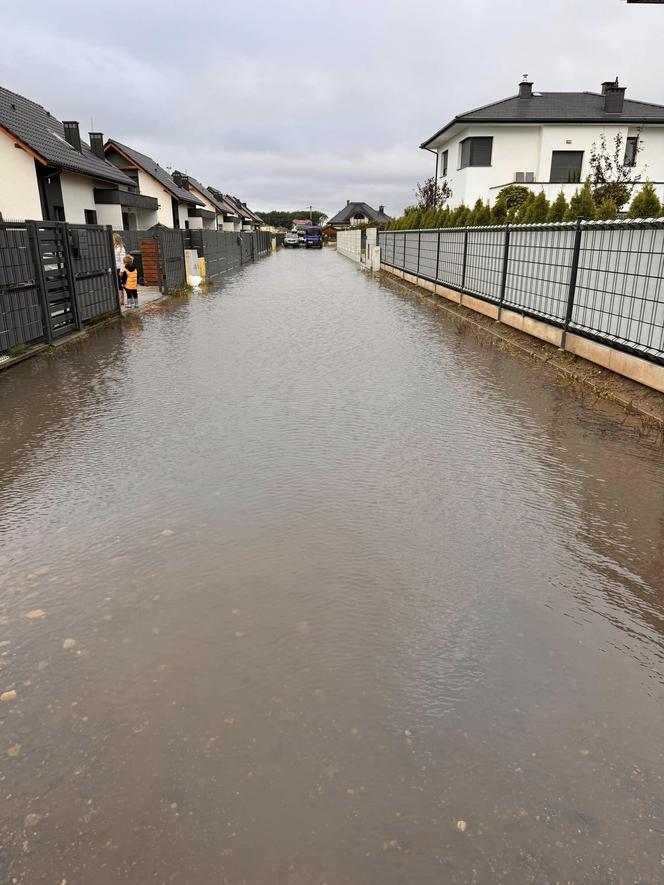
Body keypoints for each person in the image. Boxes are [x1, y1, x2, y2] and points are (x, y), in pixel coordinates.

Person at [113, 233, 127, 306]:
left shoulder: (121, 248)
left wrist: (122, 270)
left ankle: (122, 300)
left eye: (113, 239)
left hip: (119, 269)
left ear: (116, 239)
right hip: (114, 268)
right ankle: (119, 300)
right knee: (117, 285)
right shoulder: (113, 248)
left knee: (121, 285)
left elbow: (123, 260)